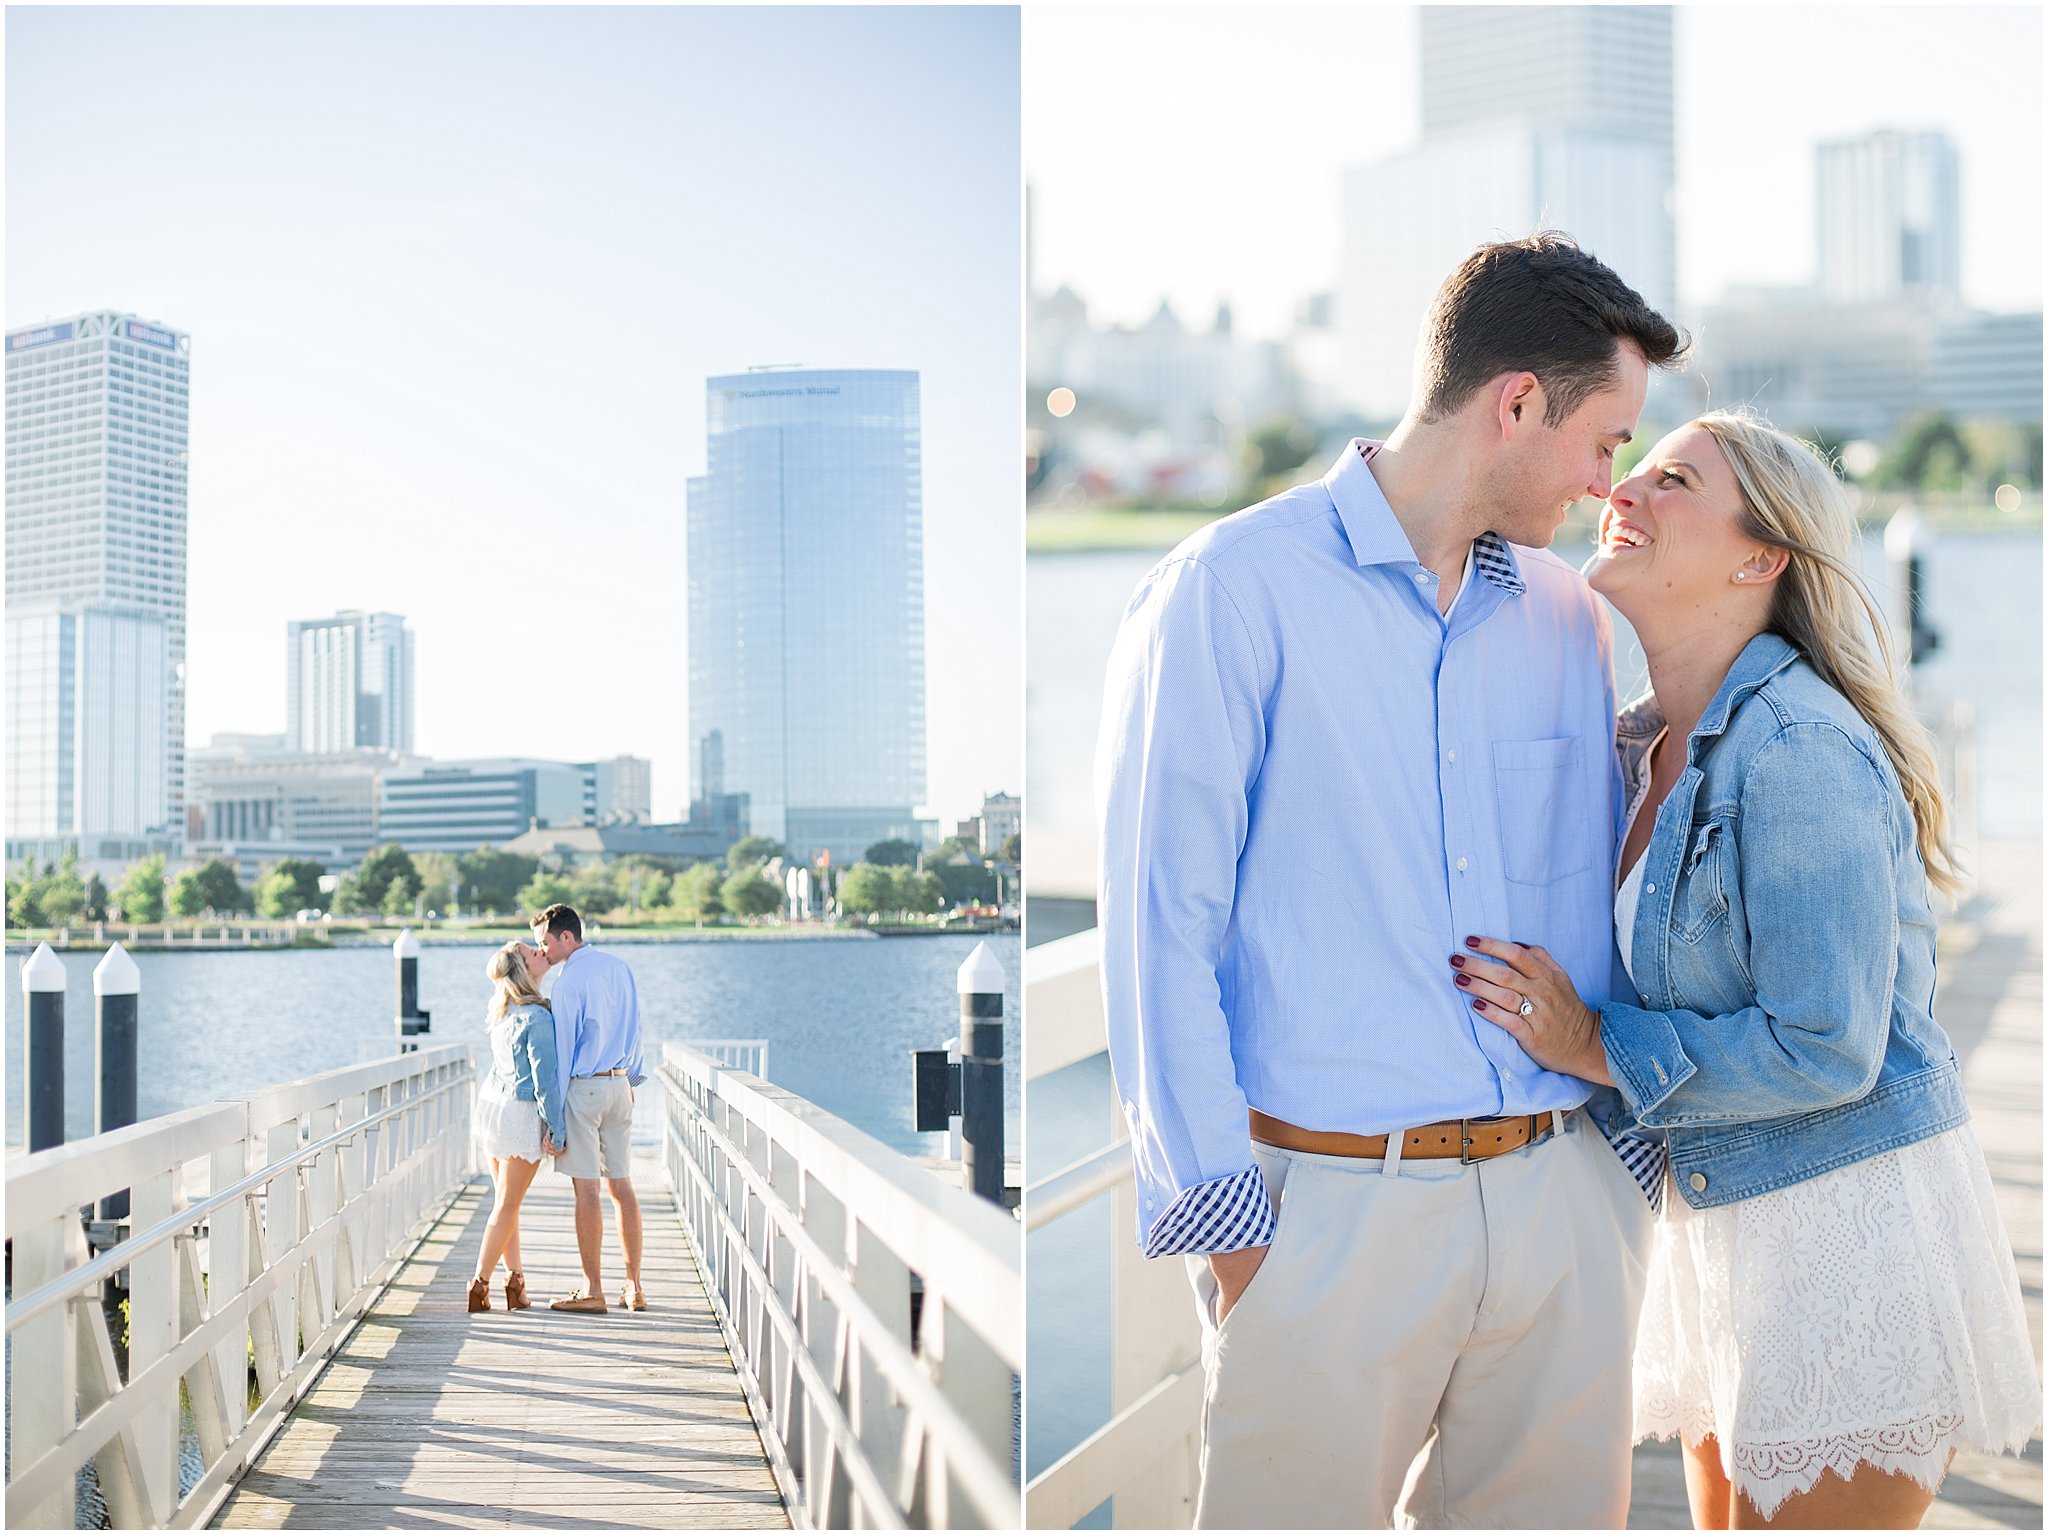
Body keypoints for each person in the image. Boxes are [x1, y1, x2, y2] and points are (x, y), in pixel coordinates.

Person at [1096, 233, 1687, 1529]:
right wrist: (1241, 1236)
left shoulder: (1566, 617)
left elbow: (1605, 894)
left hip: (1562, 1213)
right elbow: (1157, 930)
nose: (1609, 484)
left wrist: (1618, 1169)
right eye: (1605, 441)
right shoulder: (1225, 593)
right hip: (1328, 1228)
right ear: (1516, 401)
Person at [1453, 411, 2040, 1527]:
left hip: (1839, 1236)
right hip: (1719, 1227)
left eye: (1671, 478)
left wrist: (1588, 1041)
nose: (1625, 490)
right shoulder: (1637, 744)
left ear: (1758, 555)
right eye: (1632, 468)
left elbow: (1826, 1042)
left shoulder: (1796, 748)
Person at [532, 902, 648, 1313]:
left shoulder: (567, 983)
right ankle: (634, 1287)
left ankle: (593, 1289)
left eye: (544, 942)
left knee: (587, 1189)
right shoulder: (618, 967)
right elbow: (636, 1026)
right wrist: (631, 1080)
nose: (542, 952)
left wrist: (552, 1120)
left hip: (585, 1089)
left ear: (566, 936)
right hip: (619, 1085)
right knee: (623, 1185)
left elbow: (563, 1054)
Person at [467, 939, 566, 1312]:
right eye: (532, 953)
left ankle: (516, 1283)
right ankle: (479, 1284)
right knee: (508, 1204)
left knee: (506, 1204)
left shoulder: (504, 1011)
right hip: (519, 1114)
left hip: (493, 1106)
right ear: (524, 970)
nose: (540, 952)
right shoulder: (538, 1017)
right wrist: (557, 1128)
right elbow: (545, 1082)